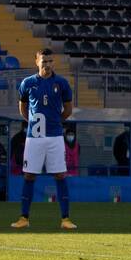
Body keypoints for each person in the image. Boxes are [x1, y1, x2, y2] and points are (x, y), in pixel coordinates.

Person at [11, 49, 77, 230]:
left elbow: (68, 110)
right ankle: (24, 218)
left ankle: (65, 219)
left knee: (60, 175)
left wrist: (55, 122)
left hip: (55, 137)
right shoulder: (28, 83)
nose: (47, 64)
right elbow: (23, 108)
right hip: (34, 138)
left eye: (49, 61)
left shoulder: (62, 83)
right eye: (43, 61)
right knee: (29, 175)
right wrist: (33, 123)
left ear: (53, 63)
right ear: (36, 61)